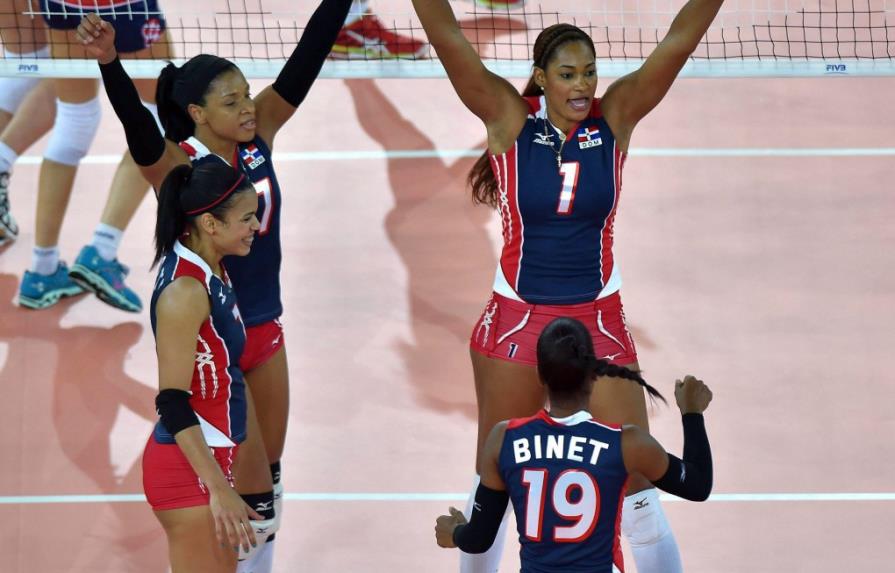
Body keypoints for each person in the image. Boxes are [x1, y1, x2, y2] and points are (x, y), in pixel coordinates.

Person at [410, 0, 727, 570]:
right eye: (568, 74)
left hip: (597, 319)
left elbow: (678, 41)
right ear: (540, 79)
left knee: (636, 485)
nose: (582, 86)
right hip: (515, 319)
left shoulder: (618, 117)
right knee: (498, 483)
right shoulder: (508, 120)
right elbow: (448, 37)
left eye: (589, 72)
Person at [76, 1, 352, 569]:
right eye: (233, 102)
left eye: (248, 95)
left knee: (269, 481)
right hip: (217, 339)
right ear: (199, 113)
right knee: (242, 482)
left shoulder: (259, 136)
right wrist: (109, 63)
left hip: (265, 327)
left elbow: (306, 58)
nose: (249, 107)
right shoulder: (181, 167)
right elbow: (138, 128)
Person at [434, 317, 714, 572]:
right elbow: (698, 485)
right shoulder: (627, 444)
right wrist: (692, 413)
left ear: (540, 377)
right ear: (593, 375)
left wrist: (455, 532)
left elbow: (479, 538)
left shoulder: (504, 439)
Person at [144, 160, 263, 572]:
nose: (256, 226)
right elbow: (173, 402)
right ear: (210, 224)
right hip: (189, 476)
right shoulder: (185, 292)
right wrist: (219, 489)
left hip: (210, 460)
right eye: (247, 218)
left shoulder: (212, 267)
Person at [16, 0, 170, 310]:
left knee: (74, 119)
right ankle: (103, 249)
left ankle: (42, 270)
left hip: (61, 4)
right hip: (122, 6)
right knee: (163, 117)